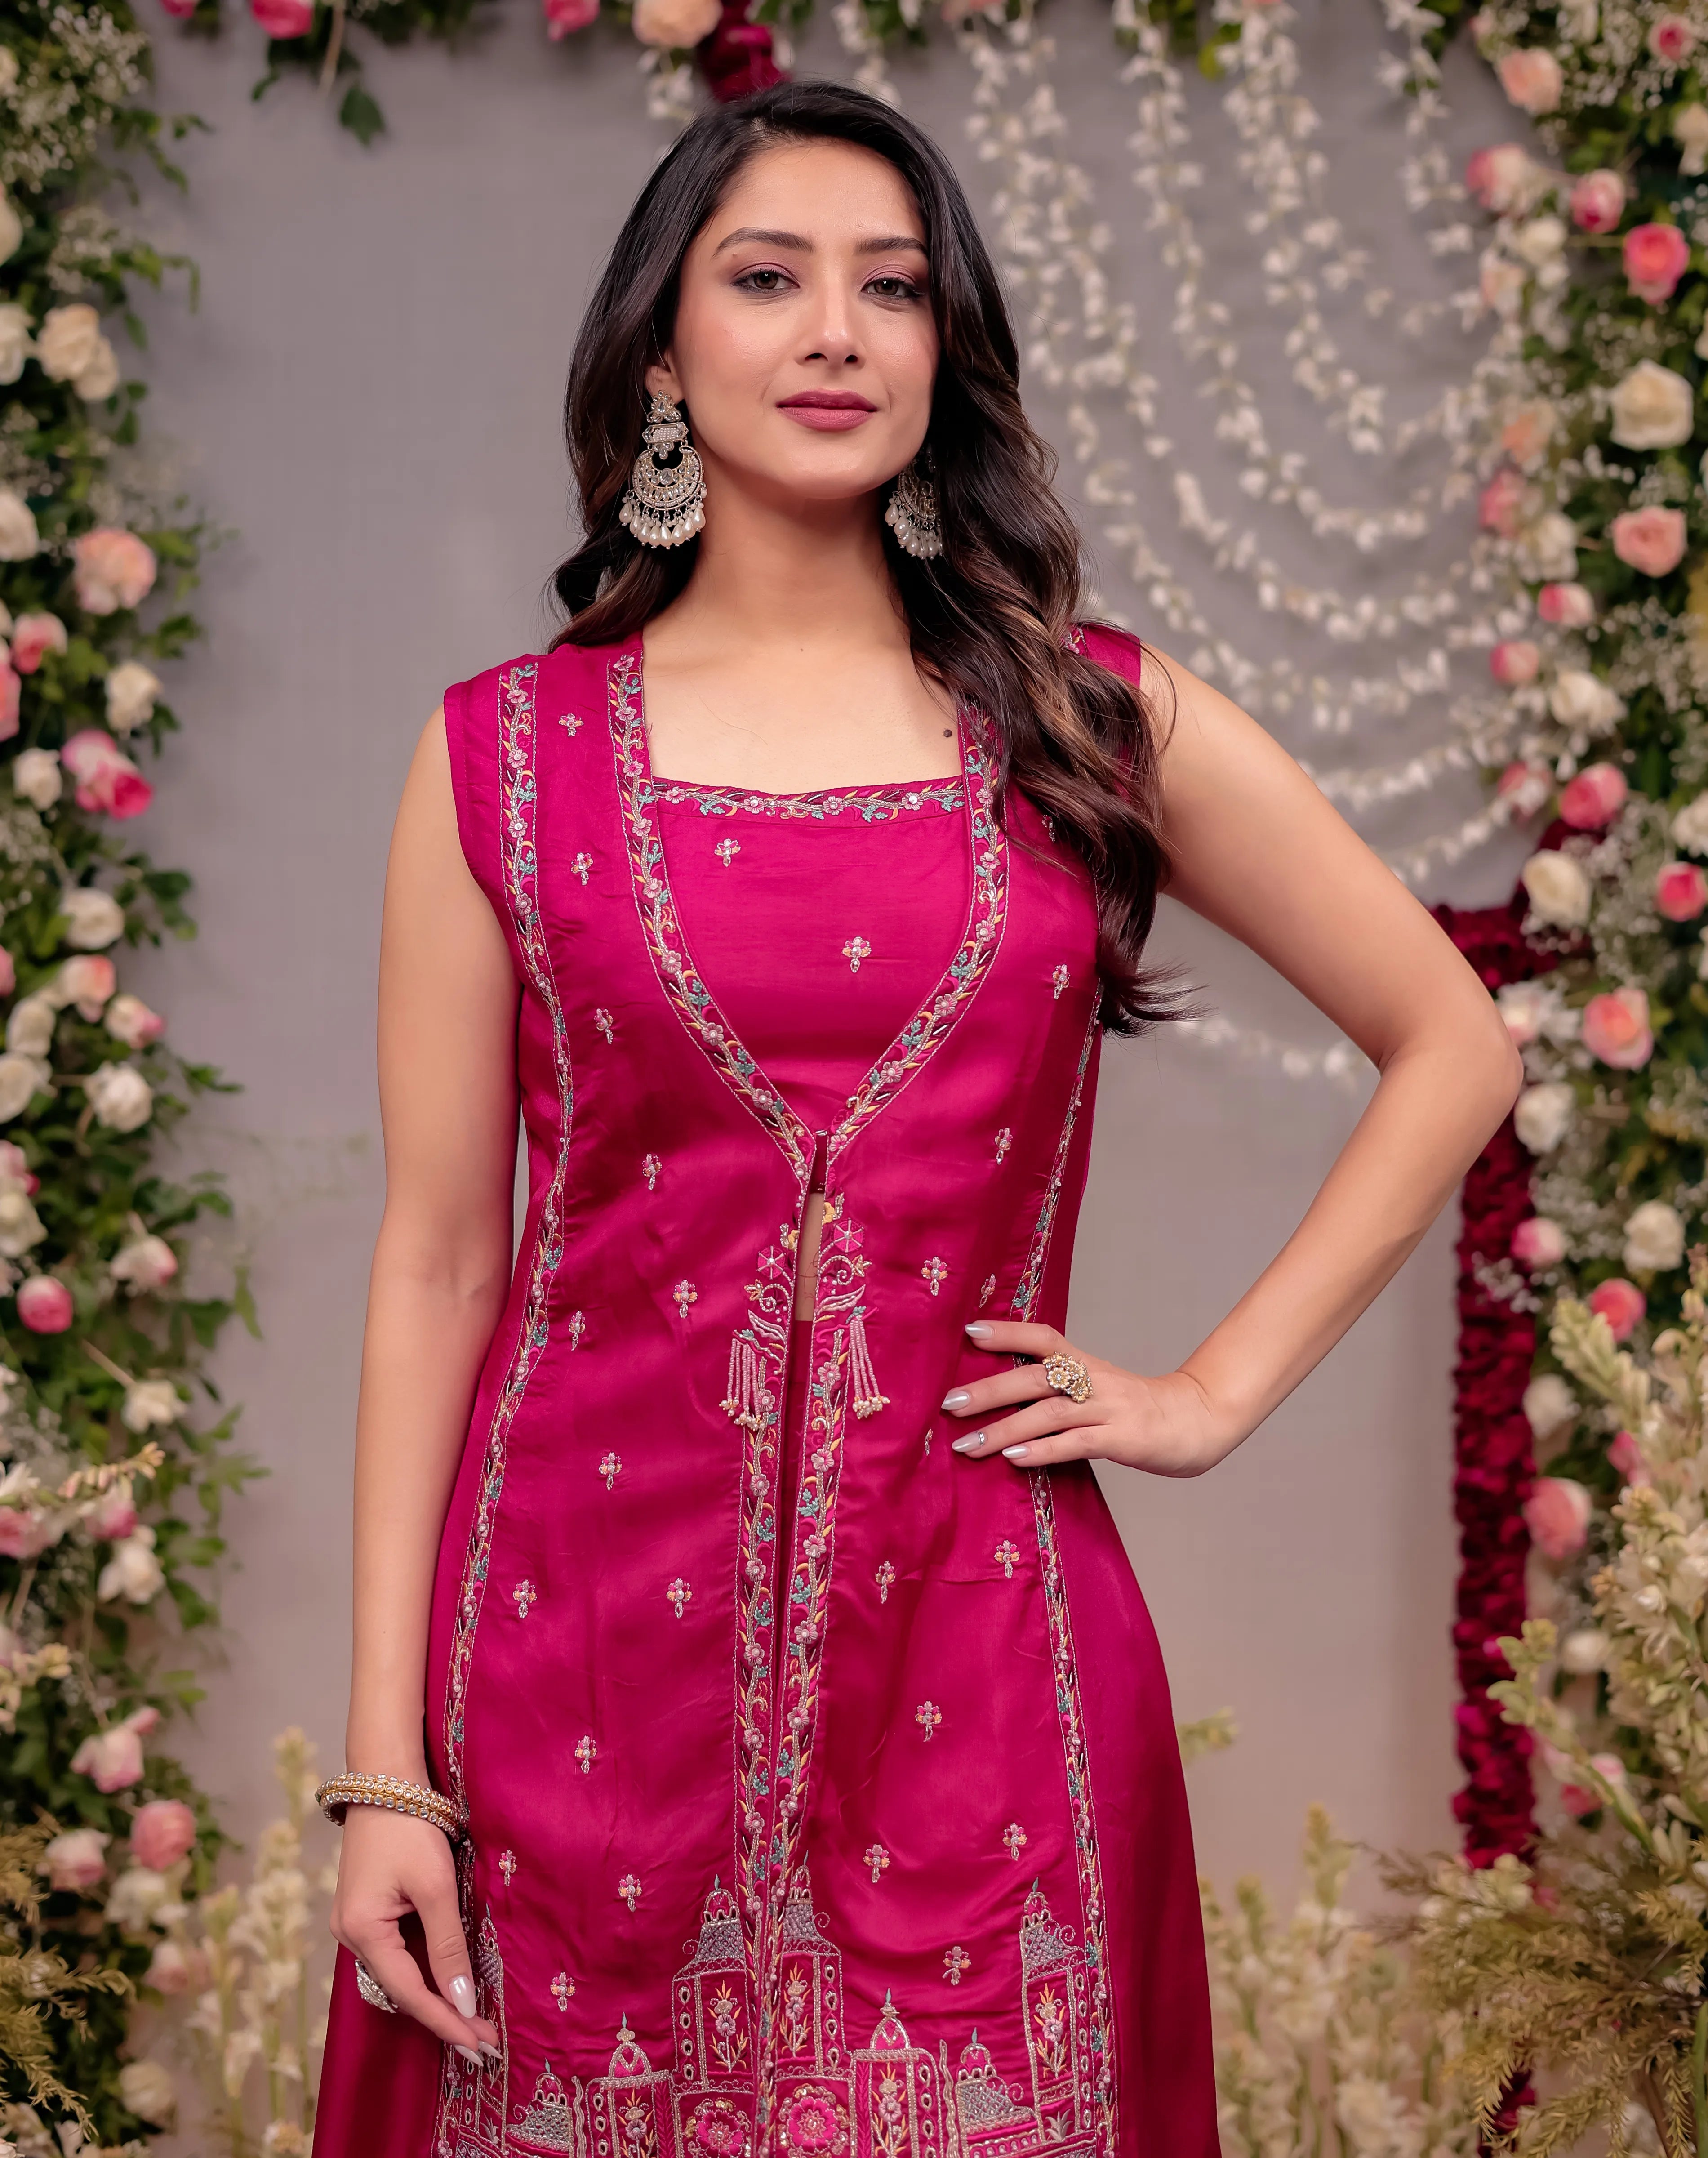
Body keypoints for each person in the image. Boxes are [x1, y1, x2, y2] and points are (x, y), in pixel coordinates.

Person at [311, 78, 1521, 2158]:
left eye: (890, 287)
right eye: (765, 279)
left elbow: (1453, 1041)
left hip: (979, 1659)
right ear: (662, 350)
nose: (835, 333)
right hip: (567, 1674)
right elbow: (436, 1263)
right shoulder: (501, 762)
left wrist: (1209, 1392)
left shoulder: (1087, 720)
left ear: (943, 348)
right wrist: (382, 1771)